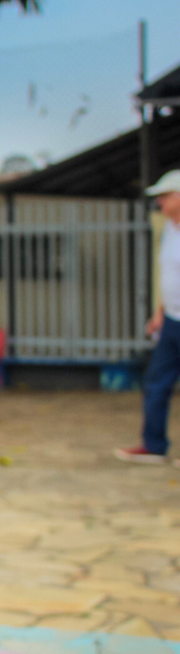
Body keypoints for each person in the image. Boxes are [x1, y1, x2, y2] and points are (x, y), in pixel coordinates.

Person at [117, 170, 180, 463]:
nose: (160, 203)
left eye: (165, 197)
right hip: (171, 320)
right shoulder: (168, 230)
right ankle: (153, 445)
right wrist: (159, 312)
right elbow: (165, 275)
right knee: (156, 382)